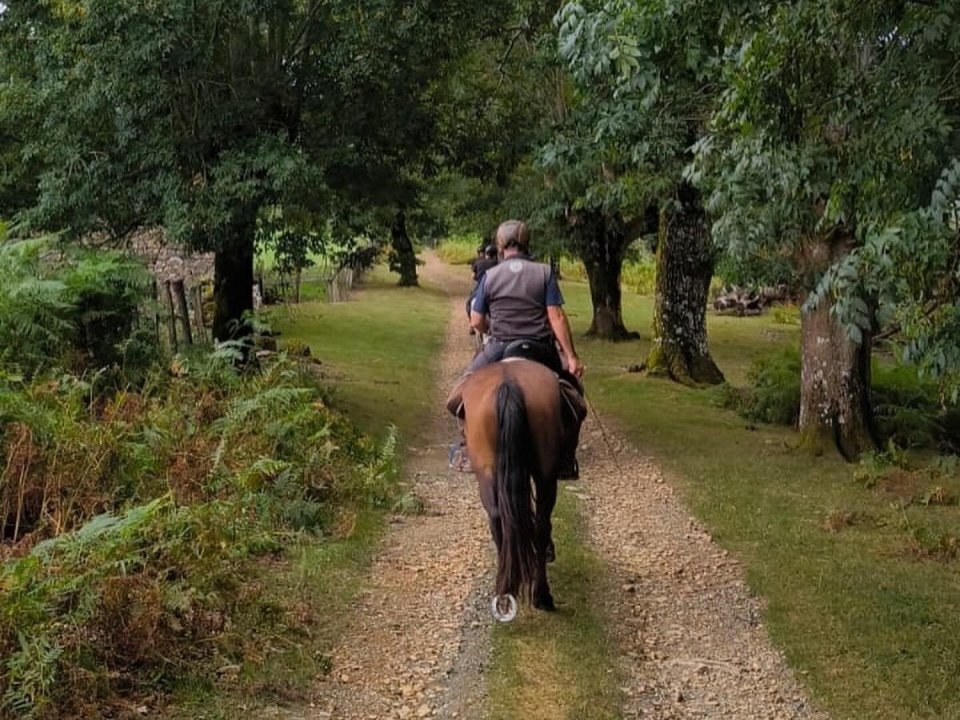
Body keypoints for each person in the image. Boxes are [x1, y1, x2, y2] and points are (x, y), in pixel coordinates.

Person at [446, 219, 586, 477]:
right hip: (540, 348)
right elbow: (555, 317)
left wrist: (491, 329)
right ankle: (565, 456)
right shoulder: (544, 273)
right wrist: (571, 357)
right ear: (526, 244)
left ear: (500, 246)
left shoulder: (490, 276)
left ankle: (467, 446)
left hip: (499, 347)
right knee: (574, 397)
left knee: (459, 395)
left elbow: (476, 321)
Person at [466, 243, 498, 326]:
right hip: (496, 289)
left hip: (481, 286)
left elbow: (473, 277)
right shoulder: (499, 264)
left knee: (469, 302)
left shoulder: (478, 262)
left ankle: (471, 323)